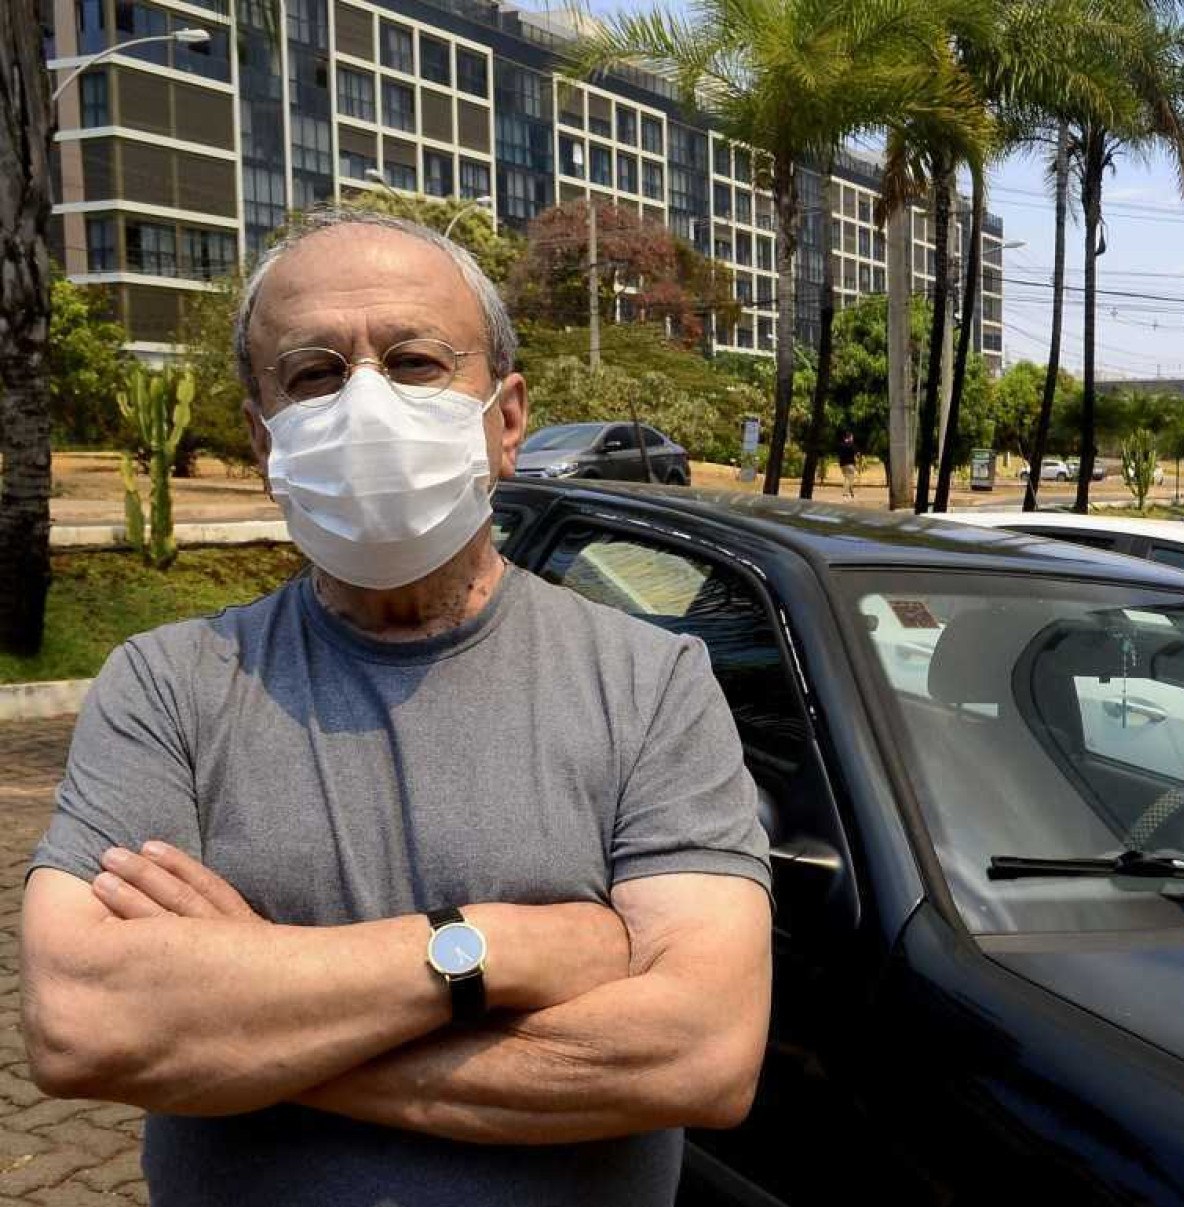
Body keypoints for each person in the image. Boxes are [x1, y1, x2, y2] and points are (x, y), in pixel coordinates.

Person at [20, 210, 773, 1207]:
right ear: (263, 439)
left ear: (506, 422)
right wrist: (496, 949)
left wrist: (241, 1028)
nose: (364, 403)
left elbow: (699, 1055)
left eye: (414, 363)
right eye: (316, 374)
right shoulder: (170, 684)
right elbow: (82, 1023)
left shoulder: (649, 683)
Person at [836, 430, 859, 500]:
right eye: (852, 437)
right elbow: (857, 454)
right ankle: (845, 494)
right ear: (849, 437)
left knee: (849, 479)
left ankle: (852, 494)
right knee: (849, 479)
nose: (852, 438)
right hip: (850, 464)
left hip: (842, 465)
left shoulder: (840, 445)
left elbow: (838, 454)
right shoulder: (852, 445)